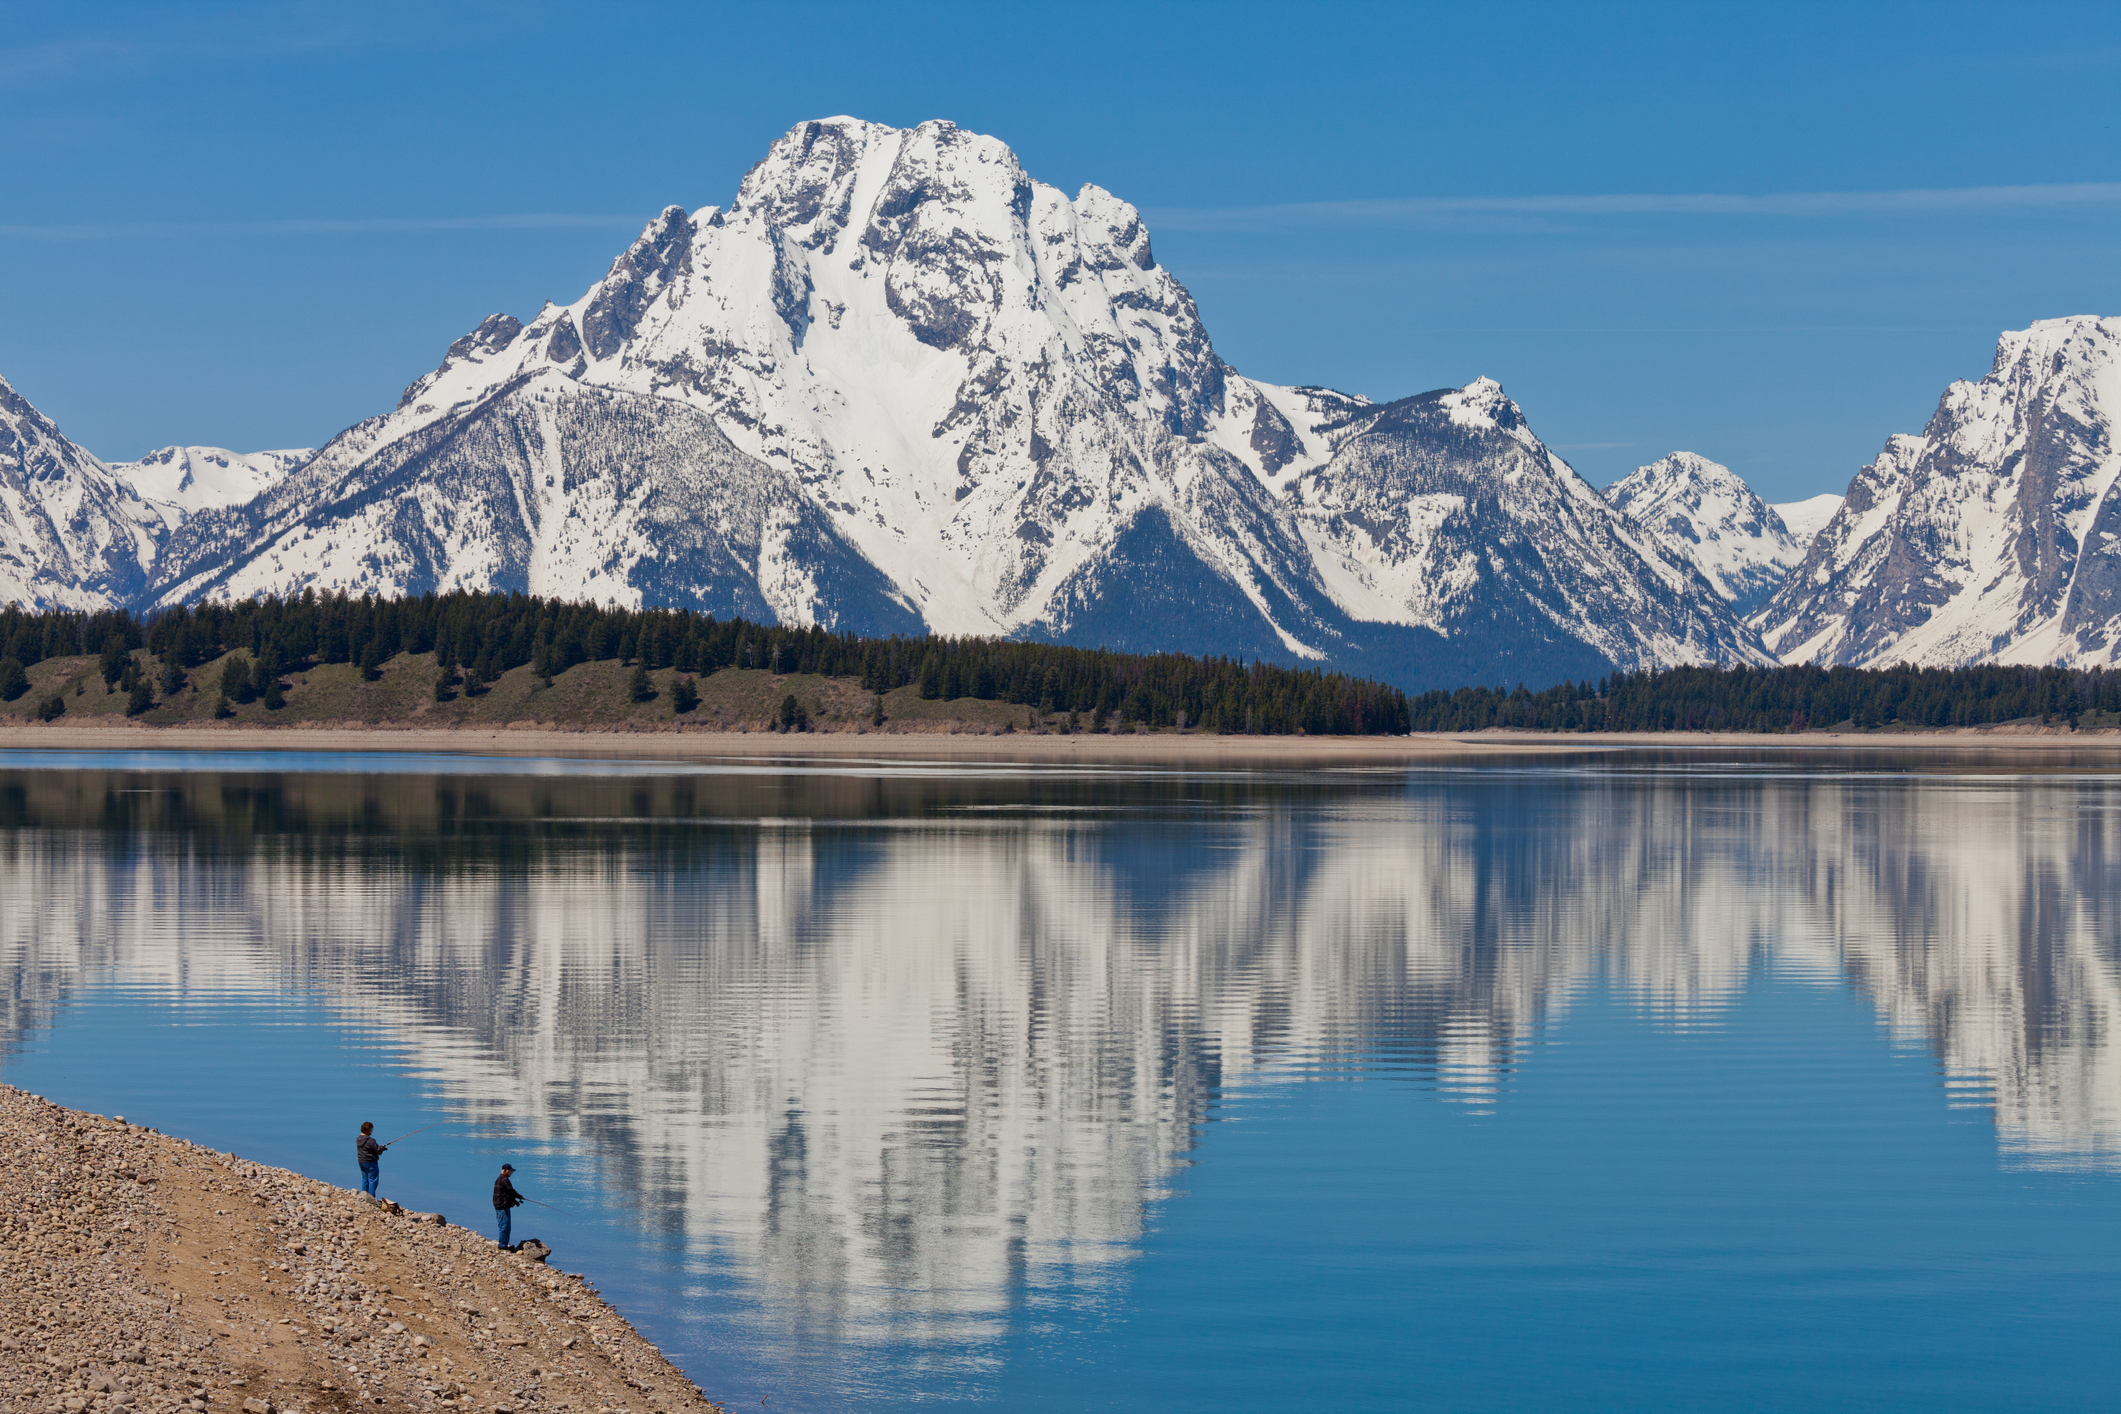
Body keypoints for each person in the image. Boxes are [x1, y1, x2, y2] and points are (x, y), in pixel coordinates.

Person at [493, 1163, 524, 1249]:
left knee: (504, 1226)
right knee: (505, 1227)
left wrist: (514, 1201)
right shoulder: (504, 1180)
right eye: (510, 1171)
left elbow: (506, 1194)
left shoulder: (500, 1179)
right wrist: (519, 1196)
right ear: (505, 1171)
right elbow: (511, 1191)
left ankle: (503, 1244)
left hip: (500, 1207)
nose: (511, 1173)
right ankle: (503, 1246)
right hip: (502, 1208)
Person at [356, 1122, 387, 1196]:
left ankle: (363, 1195)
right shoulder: (370, 1140)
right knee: (373, 1180)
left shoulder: (358, 1139)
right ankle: (371, 1198)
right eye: (371, 1129)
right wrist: (382, 1148)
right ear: (368, 1130)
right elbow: (378, 1151)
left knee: (365, 1179)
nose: (372, 1130)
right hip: (370, 1162)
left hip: (361, 1161)